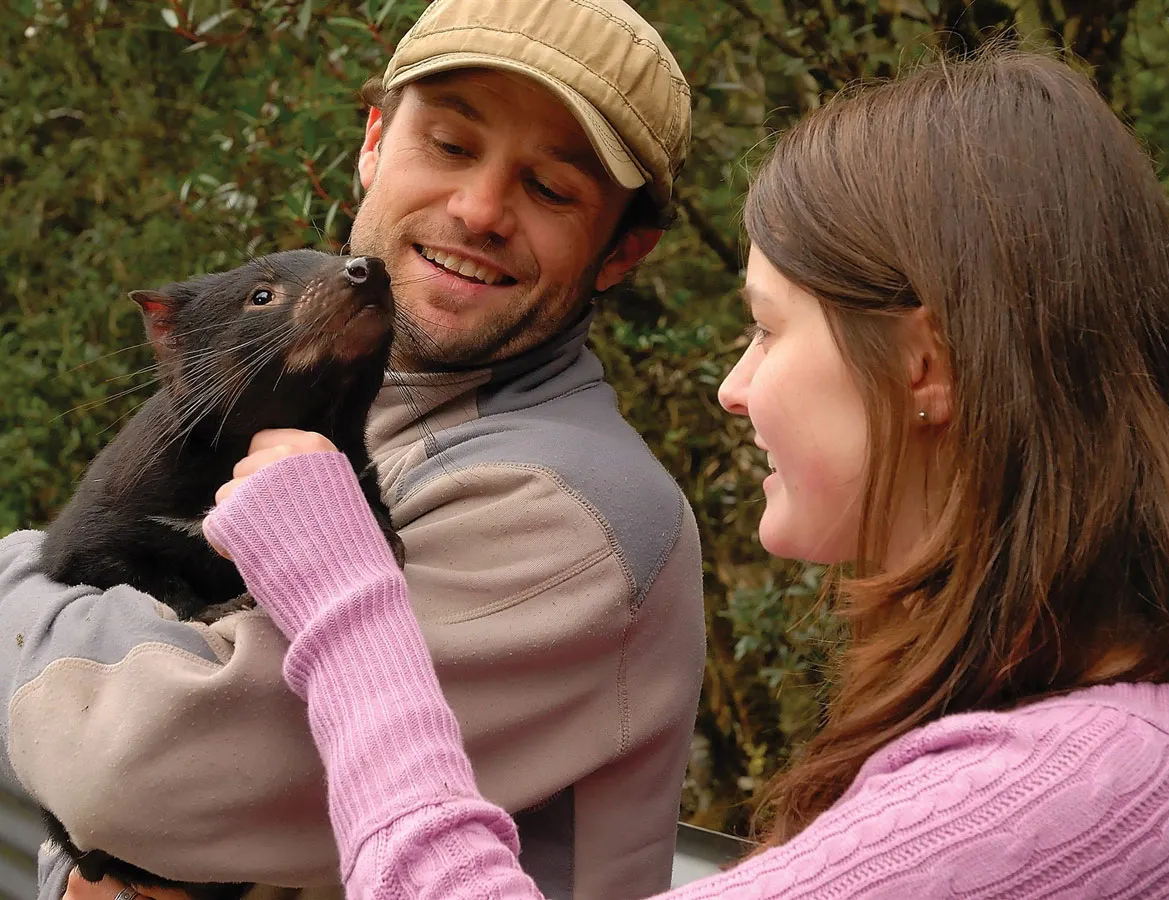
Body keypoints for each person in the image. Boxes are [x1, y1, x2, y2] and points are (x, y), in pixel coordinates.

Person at [82, 48, 1169, 900]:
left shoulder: (1059, 795)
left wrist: (341, 591)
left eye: (765, 330)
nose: (731, 387)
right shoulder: (1083, 738)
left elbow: (134, 770)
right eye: (452, 144)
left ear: (924, 364)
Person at [0, 2, 705, 900]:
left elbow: (135, 770)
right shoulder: (329, 410)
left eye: (551, 190)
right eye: (450, 145)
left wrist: (17, 583)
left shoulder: (572, 514)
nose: (480, 209)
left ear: (621, 252)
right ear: (373, 141)